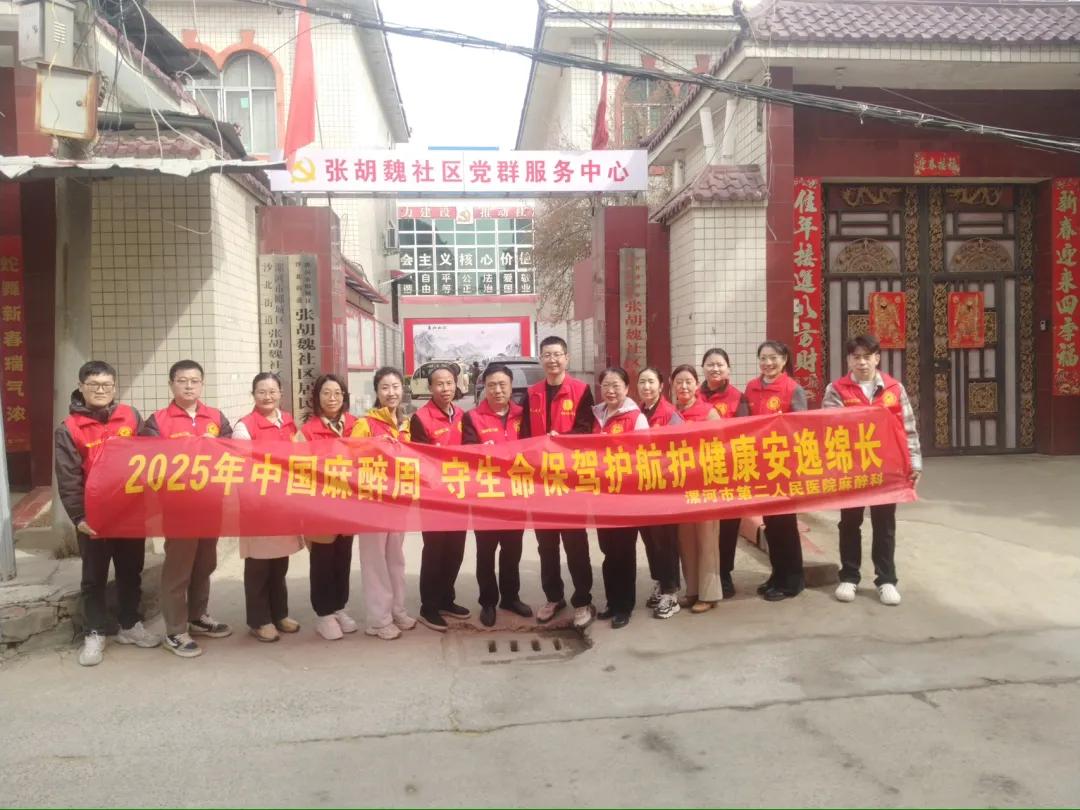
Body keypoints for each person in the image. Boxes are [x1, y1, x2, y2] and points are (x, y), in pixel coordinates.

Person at [55, 361, 160, 666]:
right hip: (95, 517)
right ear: (81, 387)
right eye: (93, 385)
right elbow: (68, 477)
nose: (101, 390)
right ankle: (95, 632)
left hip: (130, 512)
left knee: (130, 572)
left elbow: (151, 455)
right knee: (94, 578)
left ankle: (130, 625)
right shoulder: (69, 428)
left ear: (114, 387)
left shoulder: (130, 416)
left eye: (106, 385)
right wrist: (79, 517)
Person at [822, 334, 922, 607]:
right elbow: (829, 427)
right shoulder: (836, 389)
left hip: (887, 470)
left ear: (877, 358)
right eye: (856, 357)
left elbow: (908, 428)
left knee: (884, 524)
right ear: (848, 360)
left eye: (867, 356)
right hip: (851, 469)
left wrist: (915, 463)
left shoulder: (894, 389)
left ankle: (886, 580)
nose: (862, 362)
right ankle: (849, 576)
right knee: (849, 523)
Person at [142, 360, 232, 658]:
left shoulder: (216, 418)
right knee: (178, 570)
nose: (189, 386)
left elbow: (234, 454)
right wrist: (187, 448)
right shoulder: (157, 421)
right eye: (182, 381)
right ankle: (175, 630)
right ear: (171, 385)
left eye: (194, 380)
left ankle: (197, 616)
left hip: (210, 503)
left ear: (202, 384)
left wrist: (216, 445)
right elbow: (148, 460)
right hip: (178, 507)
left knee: (205, 563)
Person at [520, 336, 596, 629]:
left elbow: (586, 430)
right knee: (547, 545)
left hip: (571, 481)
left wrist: (561, 441)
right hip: (542, 482)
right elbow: (524, 435)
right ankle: (554, 597)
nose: (552, 360)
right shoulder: (532, 394)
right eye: (547, 355)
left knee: (576, 543)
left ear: (567, 358)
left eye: (557, 354)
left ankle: (582, 600)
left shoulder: (581, 391)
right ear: (541, 359)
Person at [233, 372, 304, 642]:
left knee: (279, 563)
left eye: (272, 391)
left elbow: (300, 455)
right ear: (253, 395)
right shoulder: (244, 426)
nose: (267, 396)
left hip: (284, 503)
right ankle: (259, 620)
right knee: (258, 566)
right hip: (258, 505)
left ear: (281, 393)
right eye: (261, 392)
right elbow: (243, 466)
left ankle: (279, 614)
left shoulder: (288, 421)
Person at [461, 363, 533, 627]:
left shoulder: (523, 415)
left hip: (515, 495)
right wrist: (484, 450)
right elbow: (467, 453)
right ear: (484, 388)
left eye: (502, 384)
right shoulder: (472, 417)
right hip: (486, 497)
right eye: (491, 385)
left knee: (512, 550)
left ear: (511, 387)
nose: (497, 390)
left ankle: (510, 597)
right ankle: (488, 601)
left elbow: (533, 449)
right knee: (486, 552)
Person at [352, 367, 417, 639]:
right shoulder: (365, 424)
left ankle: (397, 610)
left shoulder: (406, 423)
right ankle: (378, 620)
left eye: (395, 387)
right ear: (377, 392)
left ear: (403, 389)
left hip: (398, 501)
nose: (391, 393)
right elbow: (351, 458)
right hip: (372, 503)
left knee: (395, 559)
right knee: (374, 562)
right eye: (385, 388)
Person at [297, 374, 360, 641]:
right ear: (317, 398)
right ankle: (324, 614)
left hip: (349, 506)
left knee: (342, 558)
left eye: (337, 393)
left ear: (344, 396)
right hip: (320, 508)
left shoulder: (357, 426)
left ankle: (339, 607)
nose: (332, 398)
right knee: (322, 560)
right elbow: (298, 470)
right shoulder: (307, 431)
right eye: (326, 393)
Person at [744, 340, 808, 602]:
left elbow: (802, 429)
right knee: (770, 524)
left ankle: (793, 580)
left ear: (784, 360)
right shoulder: (751, 387)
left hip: (784, 467)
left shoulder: (793, 389)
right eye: (763, 358)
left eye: (773, 358)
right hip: (761, 466)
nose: (768, 363)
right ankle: (777, 574)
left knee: (786, 525)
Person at [411, 365, 471, 632]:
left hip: (459, 495)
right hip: (434, 498)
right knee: (434, 552)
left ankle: (447, 599)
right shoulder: (420, 418)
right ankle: (429, 607)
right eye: (439, 384)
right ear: (430, 388)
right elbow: (421, 459)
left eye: (449, 383)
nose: (445, 388)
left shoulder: (462, 415)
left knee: (455, 551)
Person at [592, 367, 650, 629]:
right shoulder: (597, 416)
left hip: (626, 496)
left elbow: (644, 457)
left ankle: (624, 607)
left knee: (624, 551)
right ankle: (611, 601)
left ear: (627, 388)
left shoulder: (636, 418)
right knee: (608, 551)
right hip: (601, 496)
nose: (611, 391)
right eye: (606, 385)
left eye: (616, 385)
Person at [696, 347, 751, 599]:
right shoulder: (693, 395)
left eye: (720, 364)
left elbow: (745, 434)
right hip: (698, 471)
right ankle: (702, 575)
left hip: (728, 471)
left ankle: (725, 573)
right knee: (702, 526)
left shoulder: (739, 398)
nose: (715, 369)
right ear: (703, 368)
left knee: (728, 527)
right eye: (710, 364)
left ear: (728, 369)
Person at [670, 364, 724, 613]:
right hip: (681, 489)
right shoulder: (671, 414)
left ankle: (709, 594)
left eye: (688, 381)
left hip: (705, 487)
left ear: (696, 384)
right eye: (678, 382)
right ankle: (692, 590)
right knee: (686, 541)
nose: (683, 386)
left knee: (707, 541)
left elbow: (721, 449)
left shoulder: (709, 413)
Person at [635, 366, 683, 619]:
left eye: (651, 382)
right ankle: (660, 582)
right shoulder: (637, 412)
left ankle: (671, 592)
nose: (646, 387)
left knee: (666, 542)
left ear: (661, 386)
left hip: (664, 491)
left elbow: (681, 450)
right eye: (642, 382)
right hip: (643, 489)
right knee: (651, 541)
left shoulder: (670, 414)